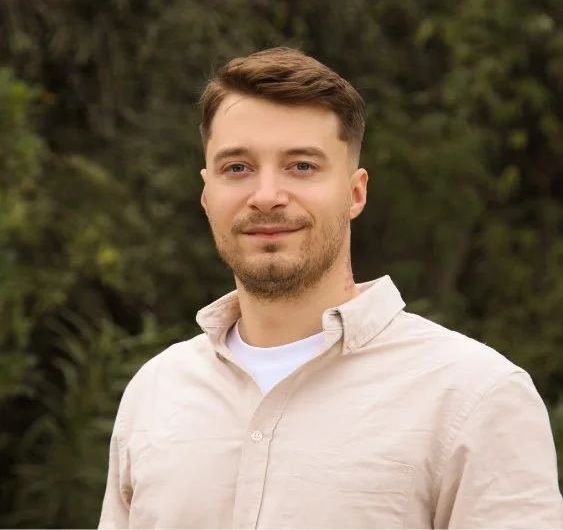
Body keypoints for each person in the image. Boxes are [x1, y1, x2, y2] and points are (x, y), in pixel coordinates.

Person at [99, 47, 562, 529]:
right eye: (237, 167)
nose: (267, 197)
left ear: (356, 192)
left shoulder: (475, 396)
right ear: (206, 193)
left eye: (302, 166)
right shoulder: (156, 392)